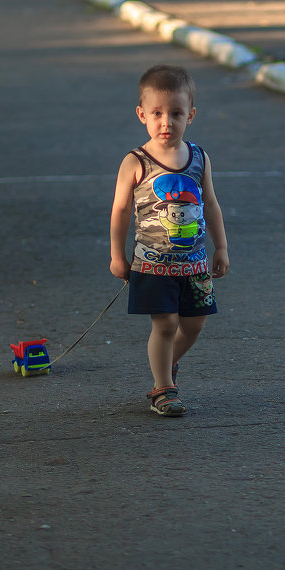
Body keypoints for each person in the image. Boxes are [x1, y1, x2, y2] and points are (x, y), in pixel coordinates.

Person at [110, 65, 229, 416]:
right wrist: (117, 255)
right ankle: (163, 388)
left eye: (176, 114)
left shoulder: (199, 157)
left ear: (190, 115)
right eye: (157, 114)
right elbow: (119, 210)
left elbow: (211, 203)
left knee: (194, 324)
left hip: (194, 265)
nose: (166, 122)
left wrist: (220, 247)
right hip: (152, 264)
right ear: (142, 115)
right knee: (164, 324)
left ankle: (166, 364)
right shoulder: (136, 161)